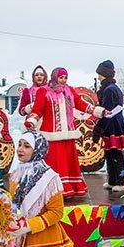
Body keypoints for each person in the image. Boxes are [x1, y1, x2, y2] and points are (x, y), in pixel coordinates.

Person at [27, 67, 95, 197]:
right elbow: (37, 110)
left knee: (68, 163)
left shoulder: (69, 91)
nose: (63, 80)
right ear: (54, 77)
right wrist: (32, 121)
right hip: (51, 135)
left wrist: (99, 111)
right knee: (55, 162)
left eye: (65, 78)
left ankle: (69, 189)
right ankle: (53, 190)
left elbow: (81, 104)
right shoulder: (44, 91)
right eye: (61, 77)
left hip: (68, 134)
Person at [93, 60, 124, 191]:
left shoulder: (109, 90)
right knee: (110, 153)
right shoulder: (112, 88)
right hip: (113, 124)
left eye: (100, 73)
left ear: (104, 73)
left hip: (112, 126)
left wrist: (98, 130)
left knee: (115, 154)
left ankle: (120, 181)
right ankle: (113, 180)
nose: (98, 76)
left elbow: (107, 112)